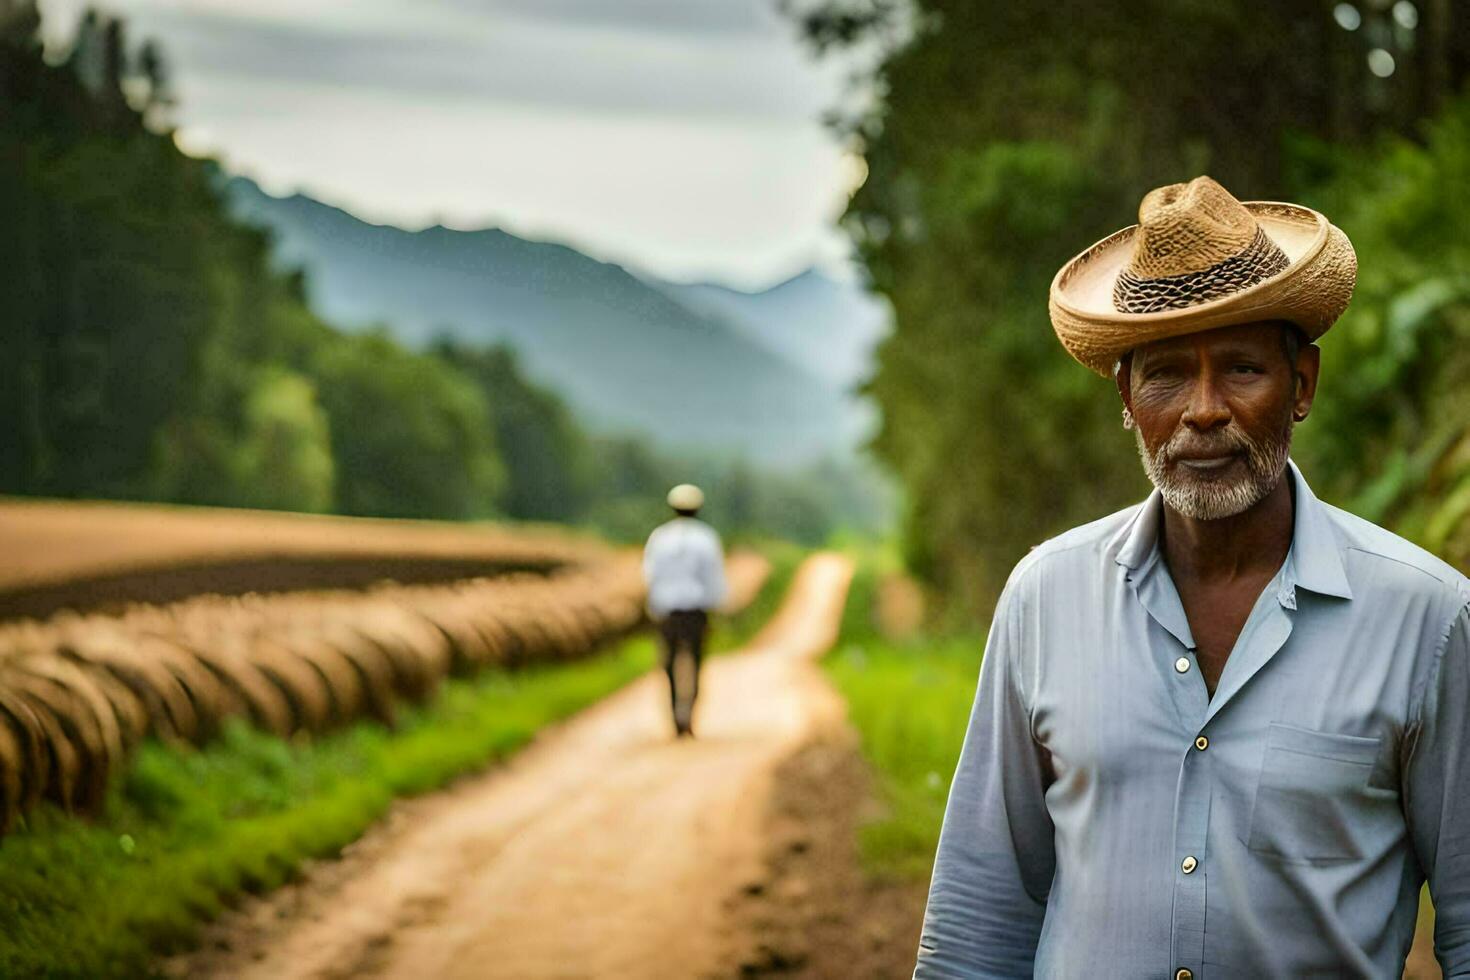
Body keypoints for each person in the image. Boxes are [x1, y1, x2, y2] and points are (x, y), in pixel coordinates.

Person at [914, 176, 1468, 978]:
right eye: (1167, 374)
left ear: (1302, 384)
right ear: (1128, 399)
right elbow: (979, 914)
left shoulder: (1428, 620)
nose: (1203, 409)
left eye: (1242, 368)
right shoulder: (1045, 598)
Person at [642, 483, 726, 737]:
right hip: (696, 610)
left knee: (668, 663)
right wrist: (716, 607)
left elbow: (650, 574)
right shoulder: (706, 538)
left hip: (667, 609)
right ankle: (689, 712)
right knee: (697, 661)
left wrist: (653, 605)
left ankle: (674, 715)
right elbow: (714, 577)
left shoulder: (659, 537)